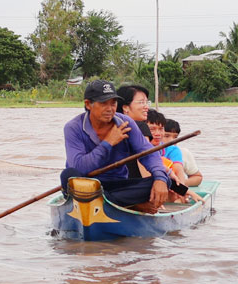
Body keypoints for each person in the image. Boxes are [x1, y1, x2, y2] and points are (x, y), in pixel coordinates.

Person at [60, 79, 168, 210]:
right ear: (88, 104)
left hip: (117, 185)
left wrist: (160, 178)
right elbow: (80, 167)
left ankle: (106, 200)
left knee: (165, 179)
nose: (110, 109)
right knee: (68, 175)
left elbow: (147, 153)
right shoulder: (73, 127)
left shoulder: (125, 123)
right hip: (86, 184)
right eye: (104, 103)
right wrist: (108, 143)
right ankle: (124, 204)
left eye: (113, 103)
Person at [115, 84, 154, 178]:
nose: (146, 107)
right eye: (141, 102)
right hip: (134, 185)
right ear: (125, 107)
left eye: (147, 102)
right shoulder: (140, 127)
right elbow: (145, 163)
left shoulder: (110, 126)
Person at [160, 117, 203, 187]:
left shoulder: (183, 153)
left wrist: (180, 182)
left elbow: (197, 177)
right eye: (166, 136)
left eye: (175, 137)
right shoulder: (147, 151)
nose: (172, 140)